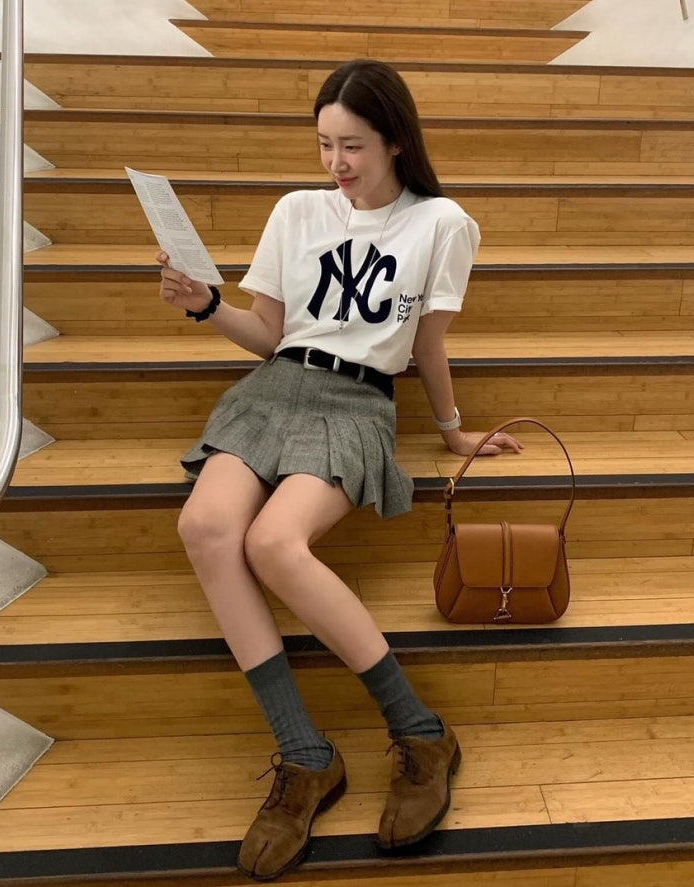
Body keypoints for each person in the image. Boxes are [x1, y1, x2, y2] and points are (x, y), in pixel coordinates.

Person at [157, 58, 521, 882]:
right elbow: (269, 333)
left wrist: (452, 432)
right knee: (205, 526)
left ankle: (419, 730)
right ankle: (304, 754)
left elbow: (426, 344)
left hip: (355, 402)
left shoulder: (441, 223)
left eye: (351, 145)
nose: (335, 163)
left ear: (395, 140)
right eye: (324, 144)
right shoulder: (296, 210)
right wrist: (206, 306)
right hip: (273, 389)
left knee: (273, 544)